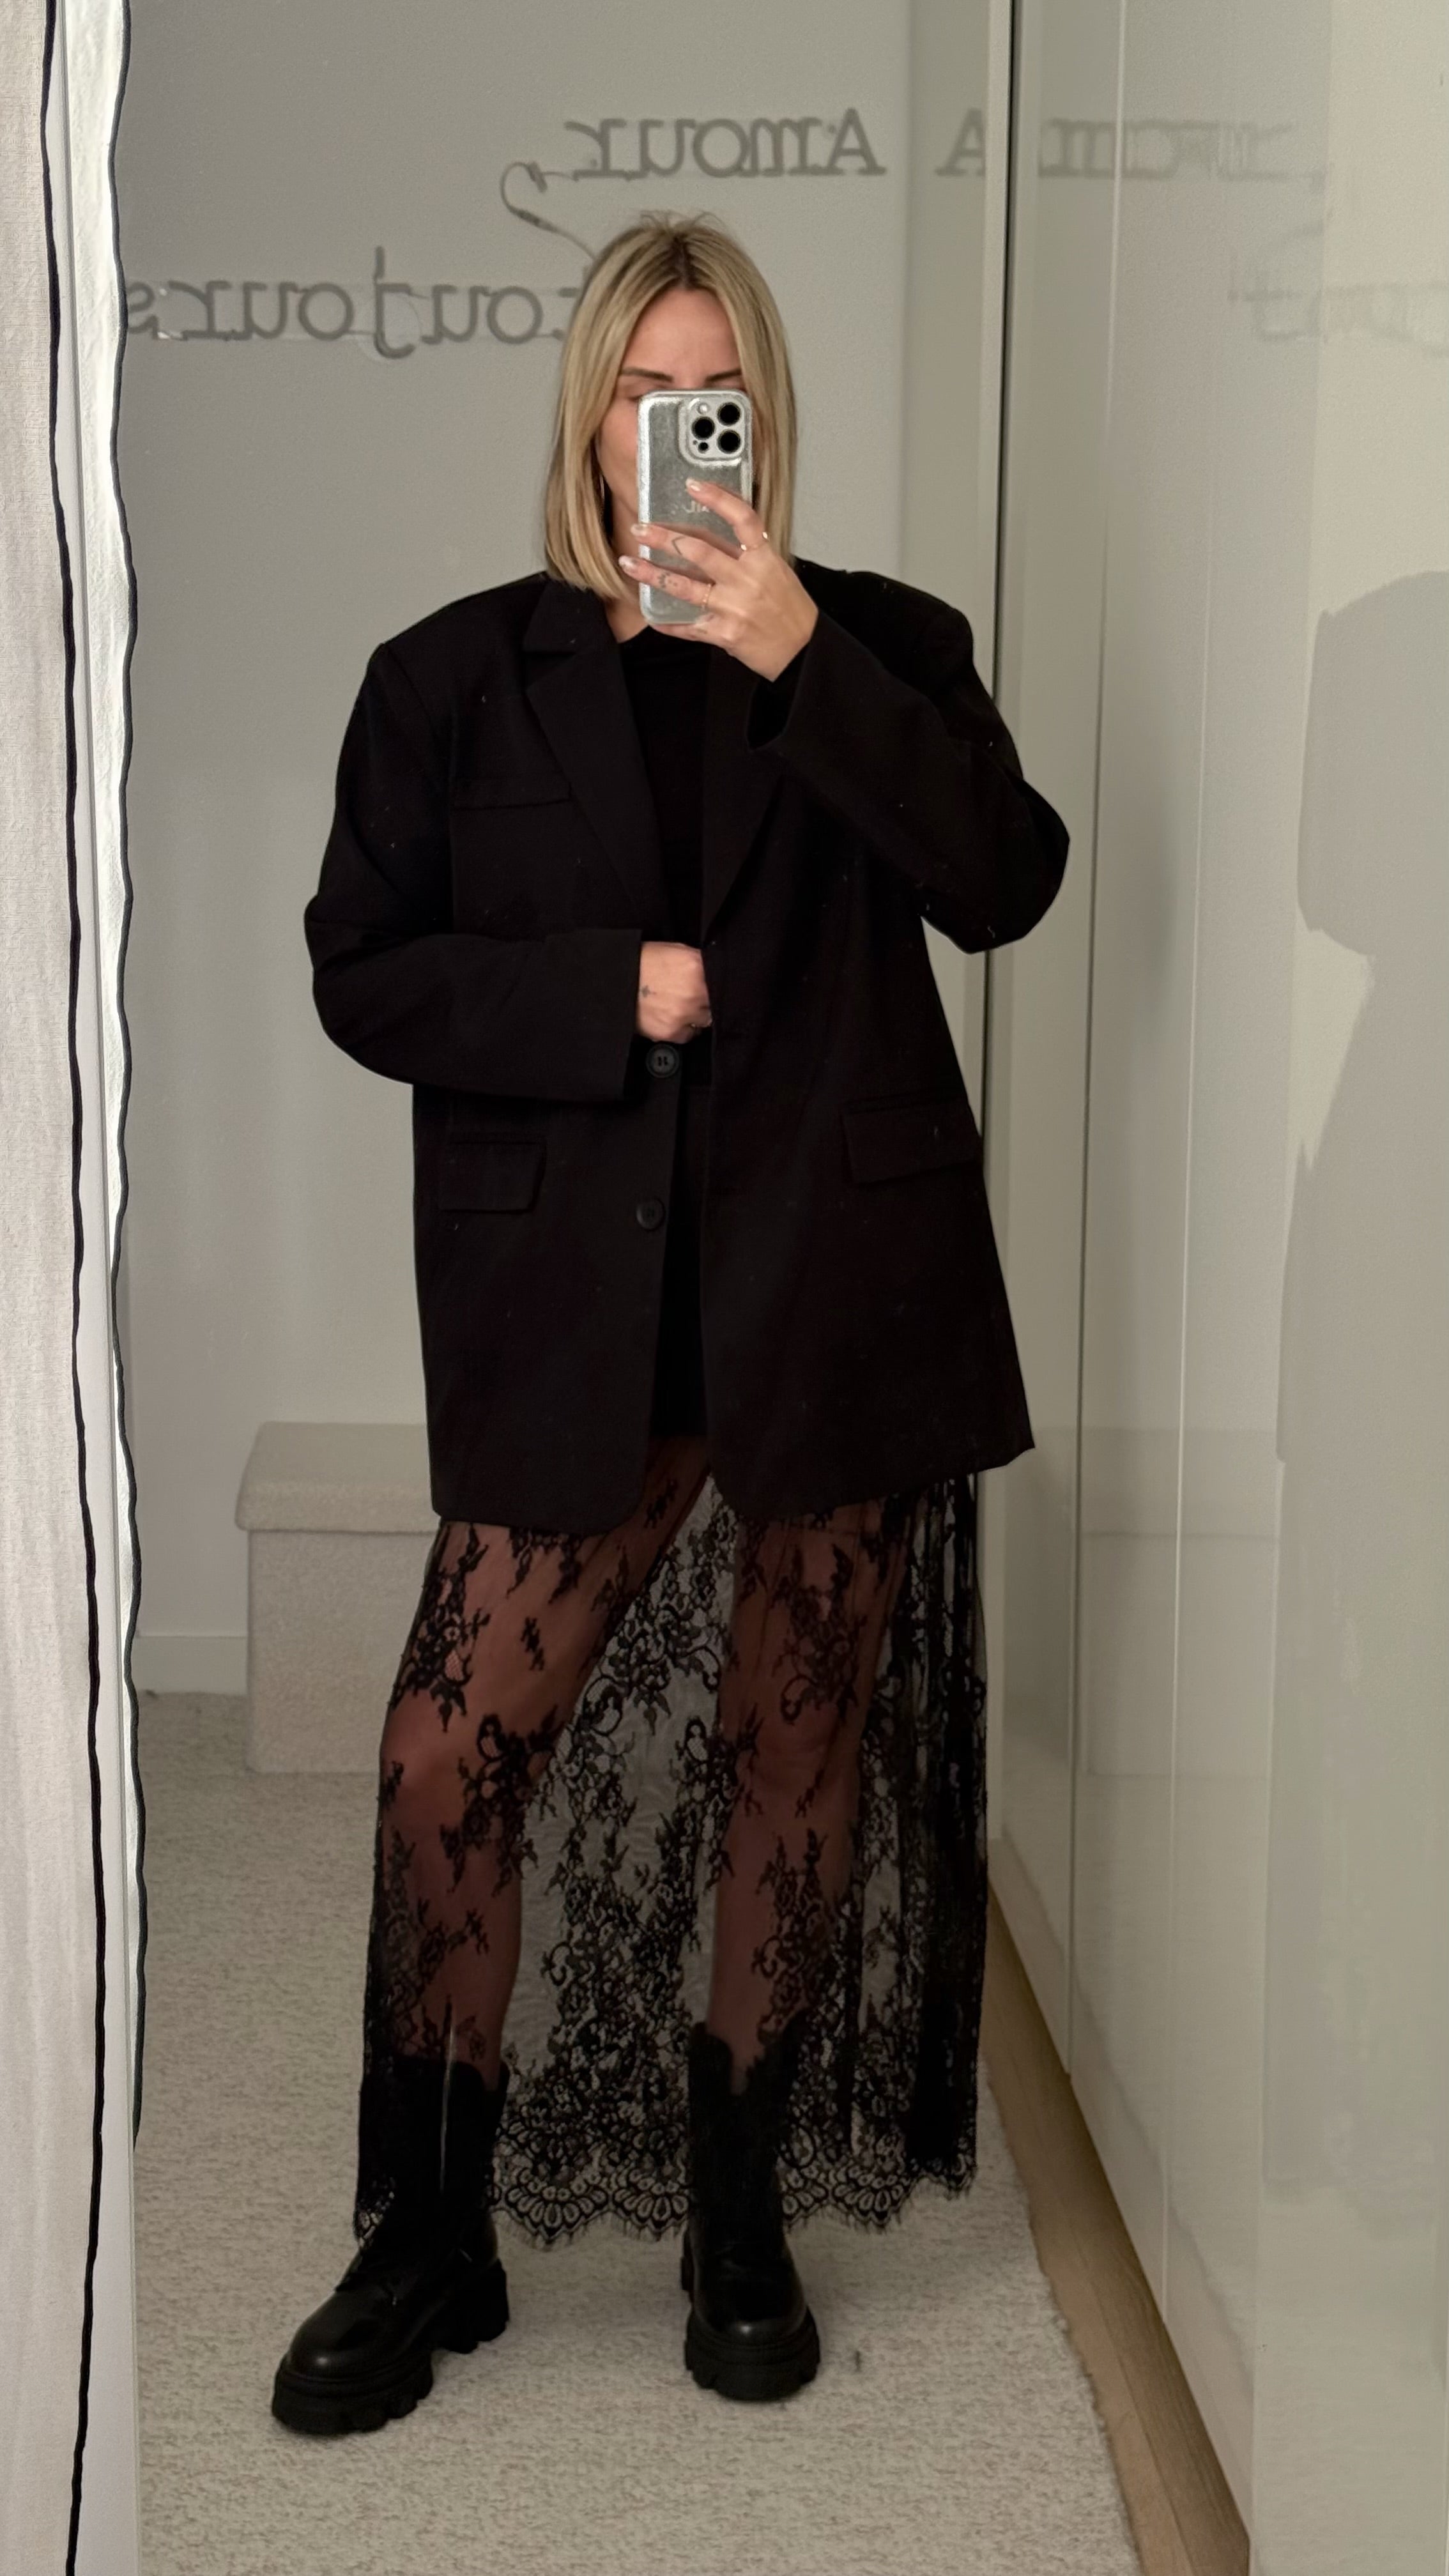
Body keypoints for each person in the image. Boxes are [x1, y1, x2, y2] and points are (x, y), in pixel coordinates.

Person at [272, 211, 1068, 2436]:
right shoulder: (449, 679)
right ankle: (431, 2229)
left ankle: (738, 2208)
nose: (675, 432)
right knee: (449, 1752)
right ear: (589, 418)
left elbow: (1001, 879)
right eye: (642, 394)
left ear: (760, 418)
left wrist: (795, 648)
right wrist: (592, 996)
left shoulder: (879, 645)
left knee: (794, 1755)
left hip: (834, 1297)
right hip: (578, 1319)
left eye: (713, 397)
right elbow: (361, 970)